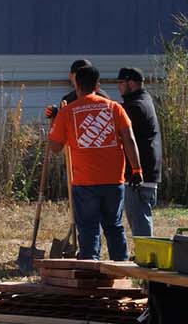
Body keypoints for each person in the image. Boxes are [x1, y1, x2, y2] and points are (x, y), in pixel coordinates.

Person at [47, 65, 143, 261]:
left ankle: (90, 271)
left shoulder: (68, 113)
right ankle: (120, 270)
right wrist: (137, 169)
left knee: (89, 228)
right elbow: (129, 139)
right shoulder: (114, 107)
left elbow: (55, 147)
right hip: (113, 180)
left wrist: (54, 122)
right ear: (97, 86)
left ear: (77, 85)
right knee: (114, 227)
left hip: (85, 182)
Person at [116, 67, 161, 237]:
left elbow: (116, 114)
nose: (118, 87)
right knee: (140, 218)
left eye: (121, 83)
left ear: (132, 83)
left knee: (140, 220)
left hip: (139, 175)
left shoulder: (136, 106)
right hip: (147, 172)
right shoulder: (144, 99)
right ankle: (144, 255)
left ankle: (145, 257)